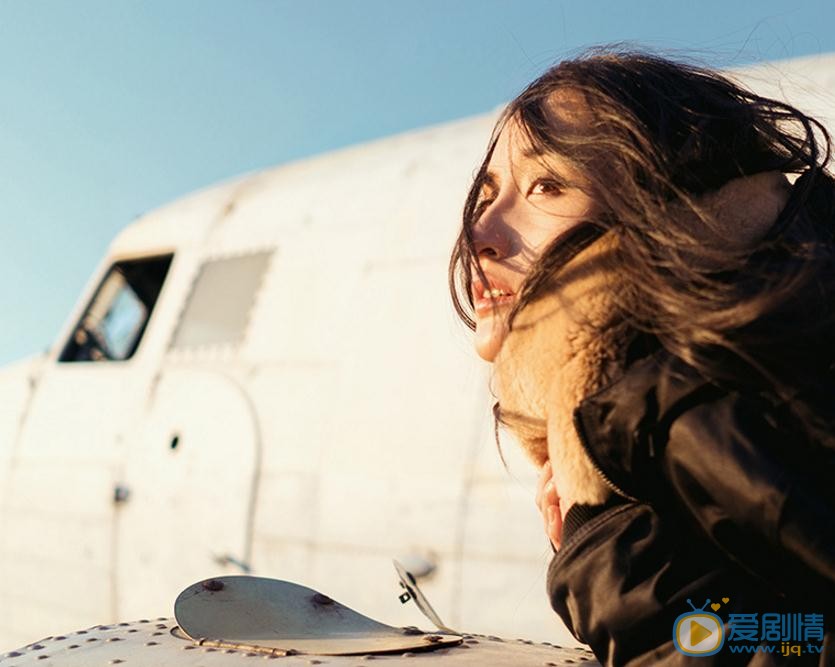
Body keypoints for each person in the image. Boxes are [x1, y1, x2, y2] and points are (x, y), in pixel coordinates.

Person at [448, 48, 835, 664]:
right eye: (488, 193)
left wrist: (611, 552)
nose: (480, 234)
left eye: (546, 185)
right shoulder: (655, 395)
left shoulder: (710, 397)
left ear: (663, 203)